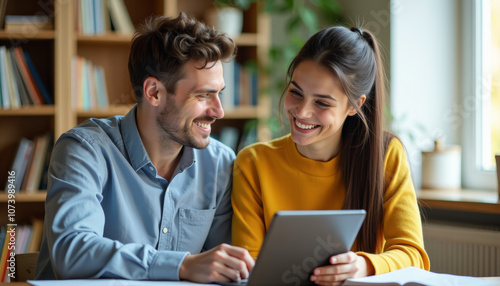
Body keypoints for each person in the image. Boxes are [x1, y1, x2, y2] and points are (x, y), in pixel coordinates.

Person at [34, 12, 254, 283]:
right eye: (203, 95)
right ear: (154, 93)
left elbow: (223, 267)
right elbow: (72, 252)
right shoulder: (84, 150)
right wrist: (181, 265)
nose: (219, 111)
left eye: (218, 93)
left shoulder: (220, 163)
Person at [231, 26, 430, 285]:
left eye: (322, 103)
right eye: (295, 92)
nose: (301, 112)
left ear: (355, 105)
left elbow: (413, 255)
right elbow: (252, 269)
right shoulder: (253, 163)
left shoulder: (385, 154)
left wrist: (363, 265)